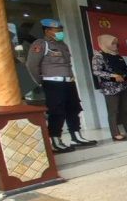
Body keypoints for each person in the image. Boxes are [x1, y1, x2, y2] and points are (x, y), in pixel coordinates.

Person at [26, 18, 96, 153]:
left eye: (61, 30)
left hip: (68, 82)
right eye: (57, 30)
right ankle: (56, 140)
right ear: (47, 31)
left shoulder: (63, 45)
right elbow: (31, 65)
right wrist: (40, 81)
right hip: (53, 83)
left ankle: (76, 136)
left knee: (73, 108)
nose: (60, 32)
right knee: (56, 112)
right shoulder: (41, 44)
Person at [91, 34, 127, 141]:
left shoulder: (118, 56)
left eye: (116, 43)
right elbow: (96, 71)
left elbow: (124, 71)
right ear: (105, 44)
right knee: (113, 111)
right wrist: (112, 76)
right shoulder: (99, 56)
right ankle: (115, 134)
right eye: (112, 43)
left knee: (126, 109)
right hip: (110, 87)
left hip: (123, 85)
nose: (115, 45)